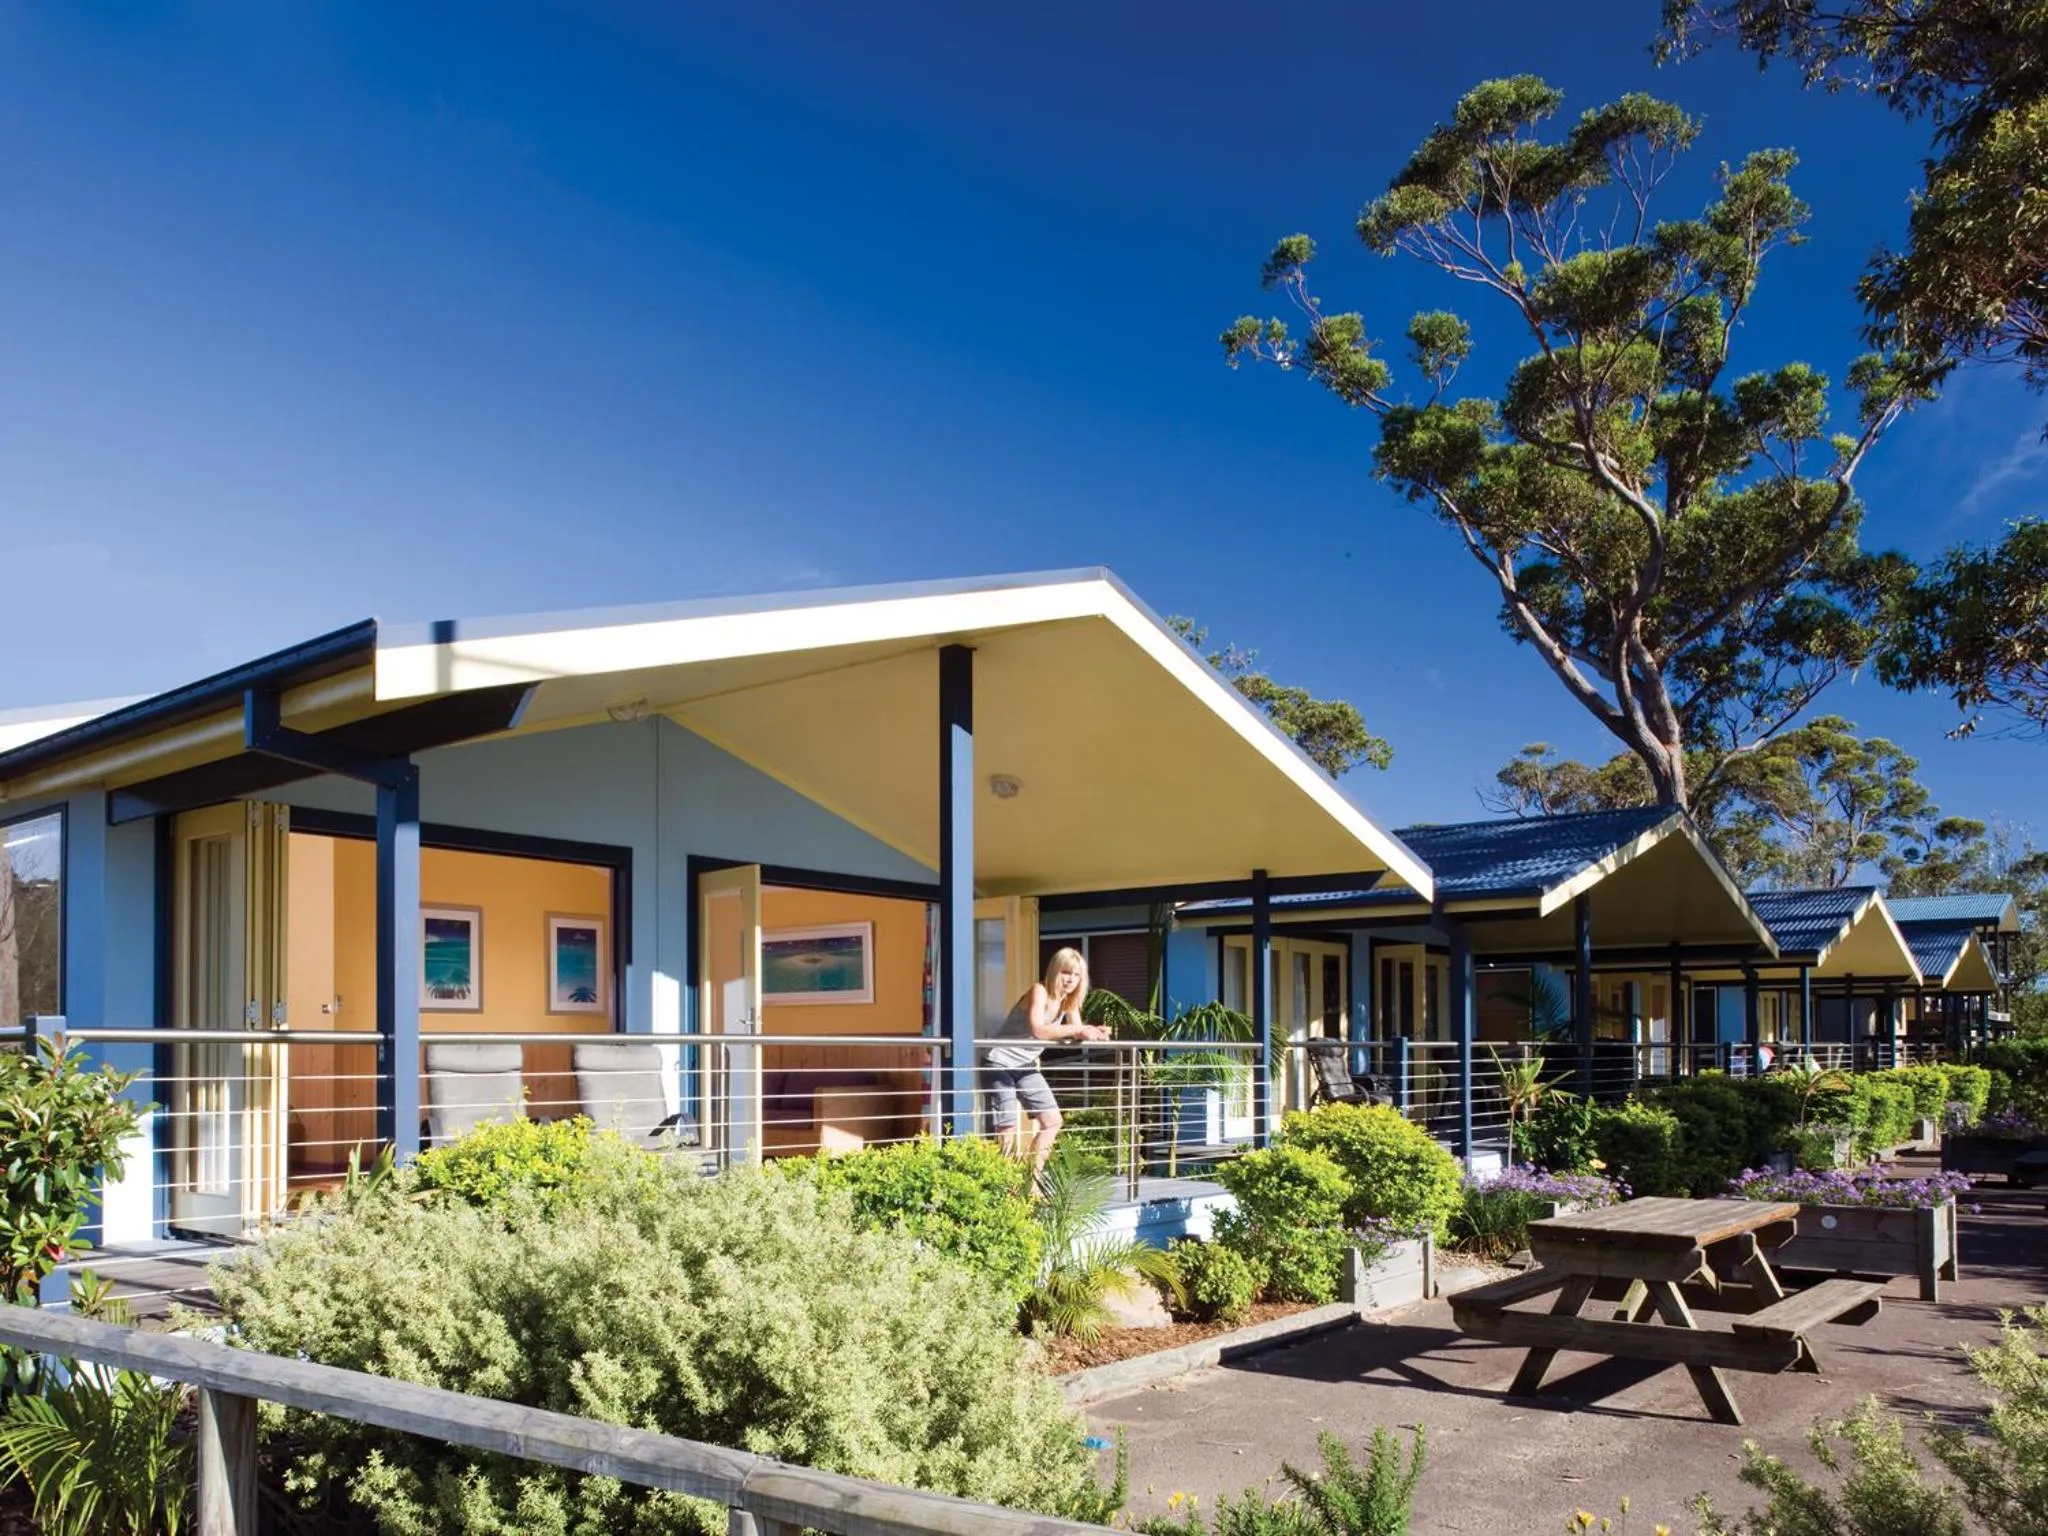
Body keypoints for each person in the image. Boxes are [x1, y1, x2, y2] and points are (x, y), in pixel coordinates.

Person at [985, 947, 1108, 1179]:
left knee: (1052, 1121)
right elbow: (1038, 1029)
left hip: (1025, 1065)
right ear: (1054, 971)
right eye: (1066, 972)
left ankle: (1030, 1181)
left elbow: (1076, 1029)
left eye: (1076, 974)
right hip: (999, 1062)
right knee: (1007, 1127)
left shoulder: (1068, 1002)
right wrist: (1080, 1029)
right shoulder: (1039, 991)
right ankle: (1005, 1188)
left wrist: (1095, 1031)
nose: (1070, 979)